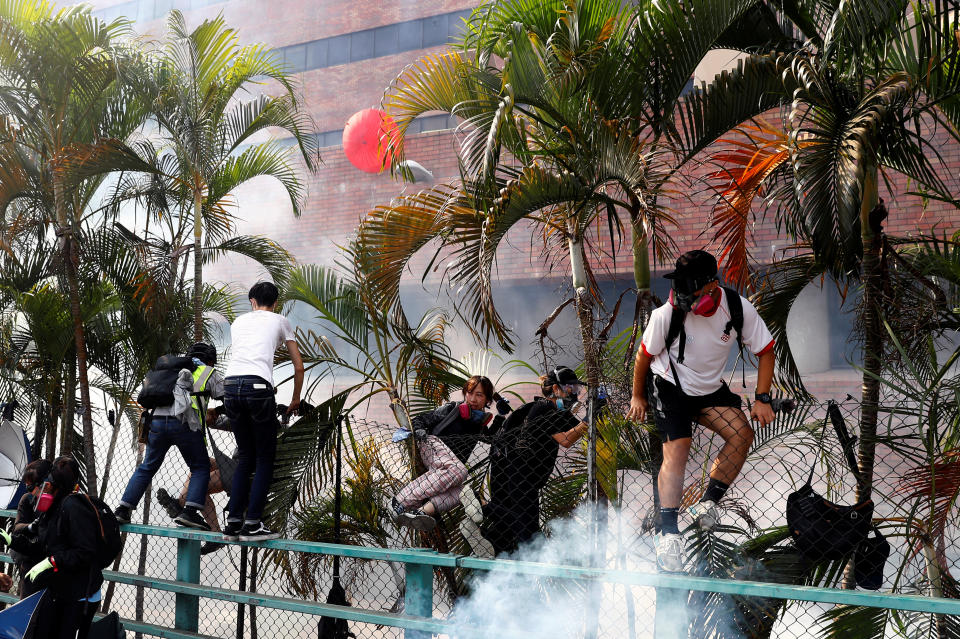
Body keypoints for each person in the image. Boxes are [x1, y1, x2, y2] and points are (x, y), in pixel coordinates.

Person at [627, 250, 775, 572]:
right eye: (680, 286)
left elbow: (765, 350)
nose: (683, 293)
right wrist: (638, 397)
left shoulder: (737, 308)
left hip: (709, 389)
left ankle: (707, 504)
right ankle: (668, 534)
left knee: (742, 434)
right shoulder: (666, 315)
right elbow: (643, 358)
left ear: (710, 286)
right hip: (670, 385)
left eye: (689, 287)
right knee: (678, 449)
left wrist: (762, 397)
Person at [223, 281, 304, 542]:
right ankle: (253, 523)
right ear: (276, 303)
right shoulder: (281, 320)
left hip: (230, 387)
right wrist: (294, 399)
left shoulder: (238, 323)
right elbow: (299, 366)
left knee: (245, 456)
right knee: (264, 458)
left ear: (252, 302)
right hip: (258, 388)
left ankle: (234, 521)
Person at [115, 342, 224, 530]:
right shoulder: (208, 371)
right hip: (185, 423)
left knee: (147, 467)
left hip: (156, 421)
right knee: (200, 467)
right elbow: (226, 396)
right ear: (211, 360)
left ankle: (123, 510)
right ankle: (189, 512)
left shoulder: (172, 369)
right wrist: (219, 409)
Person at [481, 366, 590, 554]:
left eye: (576, 388)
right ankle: (483, 507)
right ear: (556, 389)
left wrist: (593, 410)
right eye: (570, 387)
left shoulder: (557, 412)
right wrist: (588, 420)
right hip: (521, 472)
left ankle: (490, 537)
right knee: (528, 532)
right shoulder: (544, 408)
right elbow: (566, 440)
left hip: (528, 476)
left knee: (519, 530)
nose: (574, 392)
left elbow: (574, 428)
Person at [389, 375, 508, 531]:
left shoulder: (479, 424)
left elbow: (490, 439)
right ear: (465, 393)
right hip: (432, 445)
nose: (472, 398)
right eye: (470, 393)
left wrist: (500, 416)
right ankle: (399, 502)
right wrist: (419, 430)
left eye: (479, 395)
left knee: (463, 493)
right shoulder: (451, 409)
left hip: (448, 464)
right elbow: (421, 419)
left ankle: (419, 513)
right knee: (459, 470)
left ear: (487, 400)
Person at [11, 456, 102, 639]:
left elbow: (84, 552)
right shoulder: (52, 508)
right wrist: (14, 541)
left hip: (80, 593)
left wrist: (52, 561)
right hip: (62, 588)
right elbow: (43, 545)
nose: (37, 491)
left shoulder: (72, 507)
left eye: (46, 483)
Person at [10, 459, 52, 598]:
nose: (30, 491)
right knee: (28, 608)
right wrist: (31, 526)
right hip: (30, 559)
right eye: (27, 486)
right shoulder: (27, 499)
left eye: (31, 486)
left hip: (52, 563)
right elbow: (16, 527)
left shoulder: (60, 502)